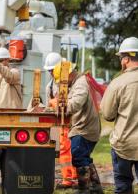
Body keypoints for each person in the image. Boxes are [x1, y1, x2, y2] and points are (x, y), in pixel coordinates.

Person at [52, 61, 103, 193]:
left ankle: (83, 189)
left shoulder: (80, 84)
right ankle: (96, 188)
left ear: (68, 75)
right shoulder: (77, 83)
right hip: (85, 127)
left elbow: (76, 103)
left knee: (79, 158)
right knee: (84, 157)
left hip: (84, 128)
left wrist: (63, 109)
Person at [101, 37, 138, 194]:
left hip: (123, 145)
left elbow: (108, 115)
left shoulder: (118, 83)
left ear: (126, 59)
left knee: (123, 186)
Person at [45, 53, 78, 189]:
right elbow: (50, 105)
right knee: (64, 151)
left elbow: (74, 102)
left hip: (74, 122)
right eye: (49, 71)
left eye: (53, 70)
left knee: (75, 150)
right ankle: (67, 178)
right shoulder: (50, 86)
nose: (51, 73)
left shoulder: (73, 81)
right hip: (61, 123)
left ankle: (76, 178)